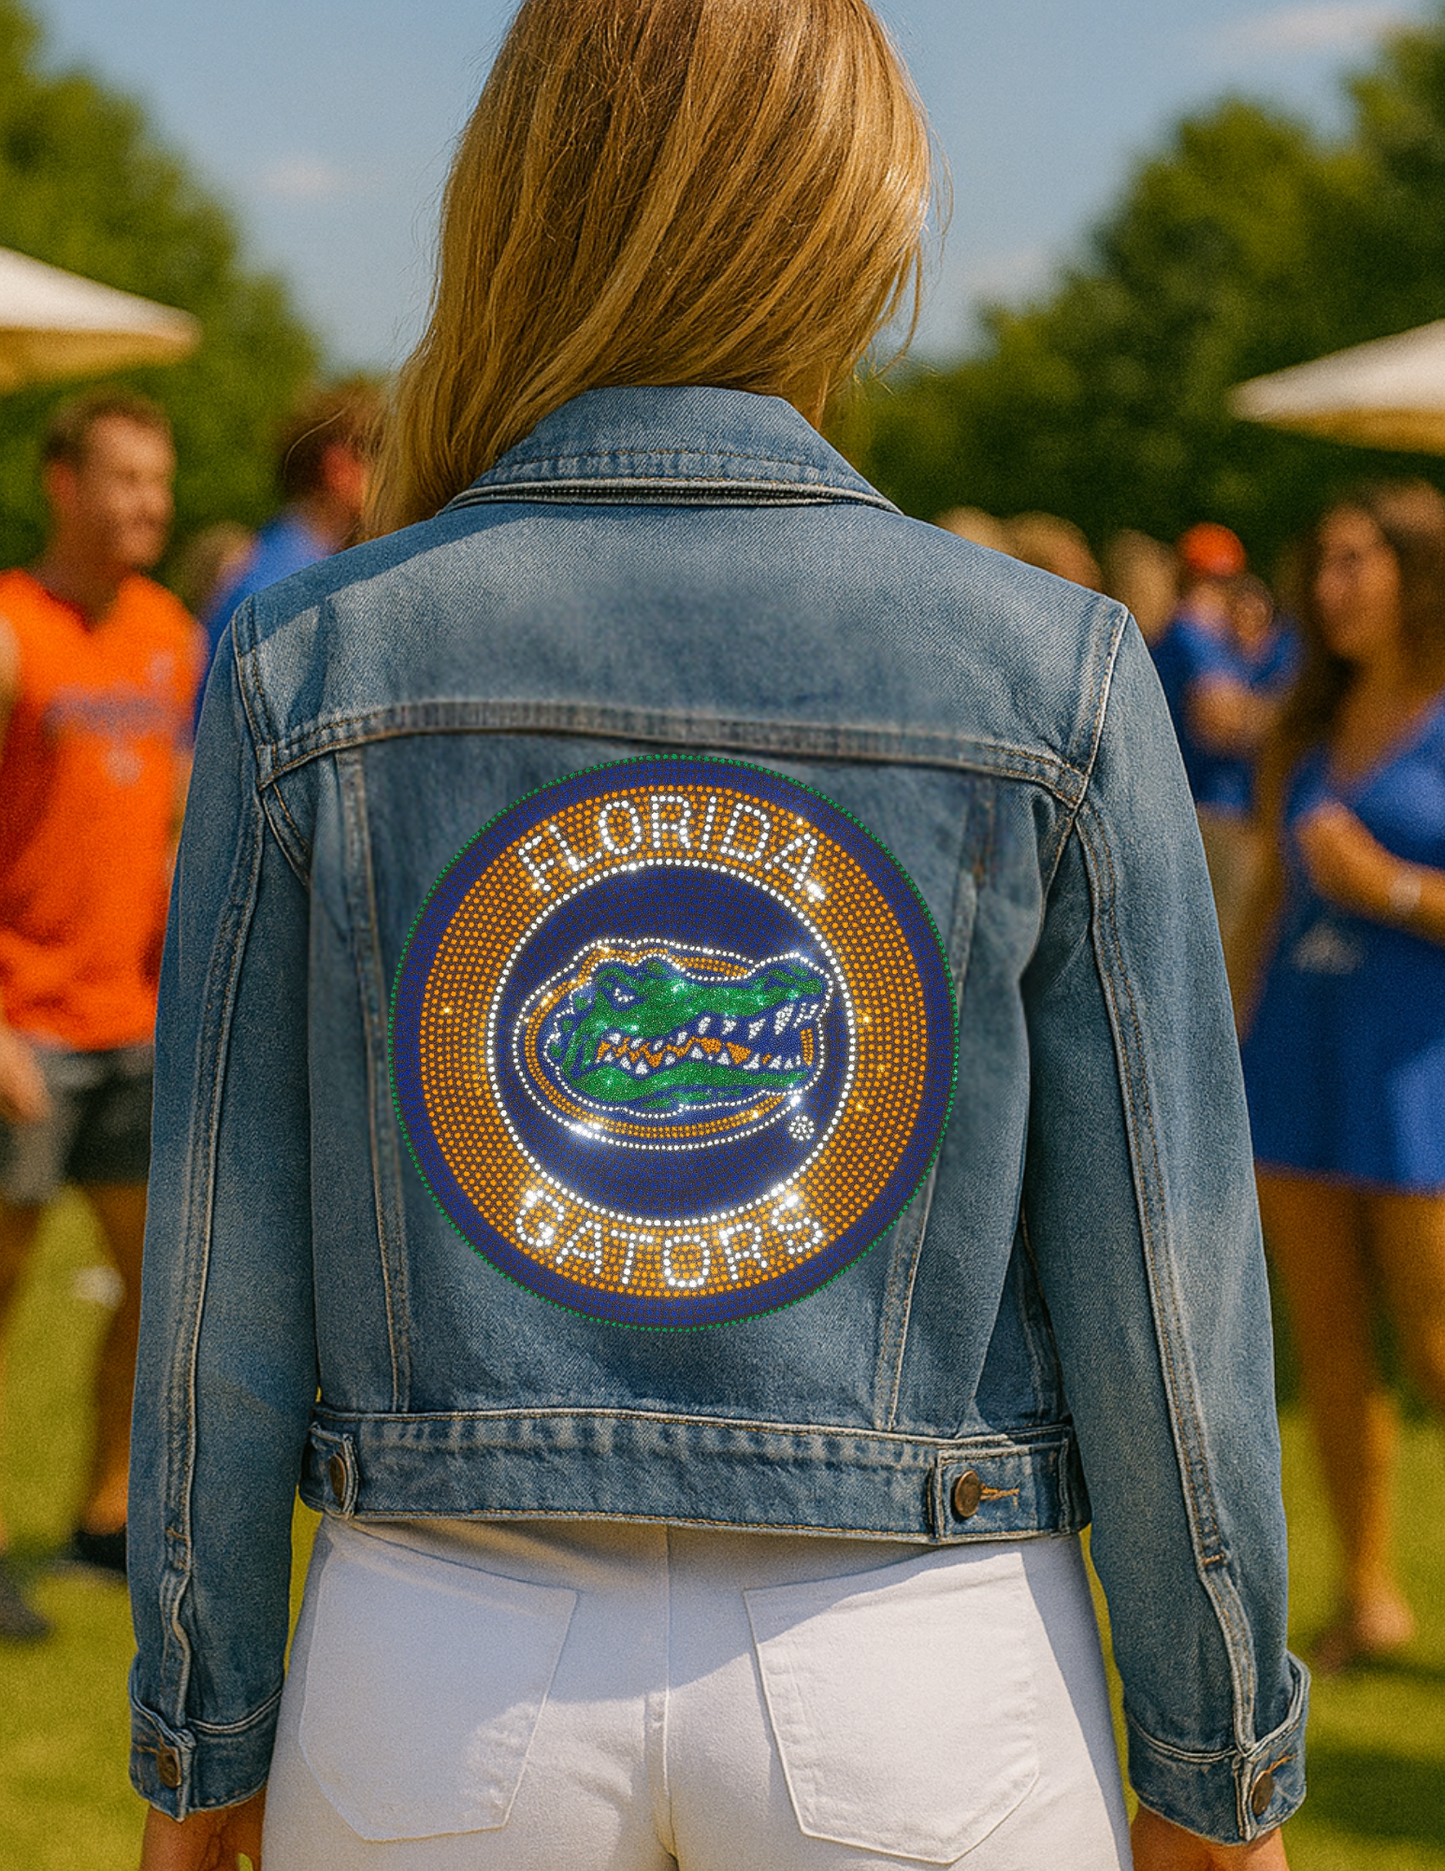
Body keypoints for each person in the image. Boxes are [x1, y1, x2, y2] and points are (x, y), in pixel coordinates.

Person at [129, 4, 1303, 1868]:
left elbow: (219, 1278)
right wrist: (1219, 1751)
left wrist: (202, 1741)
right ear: (857, 220)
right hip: (922, 1652)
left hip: (438, 1653)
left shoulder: (312, 659)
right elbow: (1167, 1291)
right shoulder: (1052, 668)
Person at [0, 388, 201, 1639]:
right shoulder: (14, 626)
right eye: (126, 479)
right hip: (25, 1028)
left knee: (154, 1280)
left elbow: (166, 808)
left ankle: (105, 1518)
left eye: (160, 481)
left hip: (134, 1025)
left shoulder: (170, 632)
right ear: (63, 483)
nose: (150, 504)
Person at [1238, 480, 1445, 1674]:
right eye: (1320, 562)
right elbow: (1265, 901)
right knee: (1324, 1344)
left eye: (1355, 560)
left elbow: (1376, 880)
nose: (1329, 586)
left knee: (1432, 1344)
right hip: (1295, 1054)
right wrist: (1220, 1041)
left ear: (1418, 572)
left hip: (1417, 1071)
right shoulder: (1304, 725)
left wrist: (1390, 888)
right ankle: (1364, 1593)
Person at [1152, 571, 1299, 956]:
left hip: (1227, 817)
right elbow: (1219, 721)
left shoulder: (1244, 653)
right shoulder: (1194, 637)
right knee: (1214, 948)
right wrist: (1296, 720)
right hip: (1212, 816)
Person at [198, 381, 379, 688]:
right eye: (379, 454)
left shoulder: (274, 559)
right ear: (339, 467)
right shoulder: (290, 585)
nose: (390, 476)